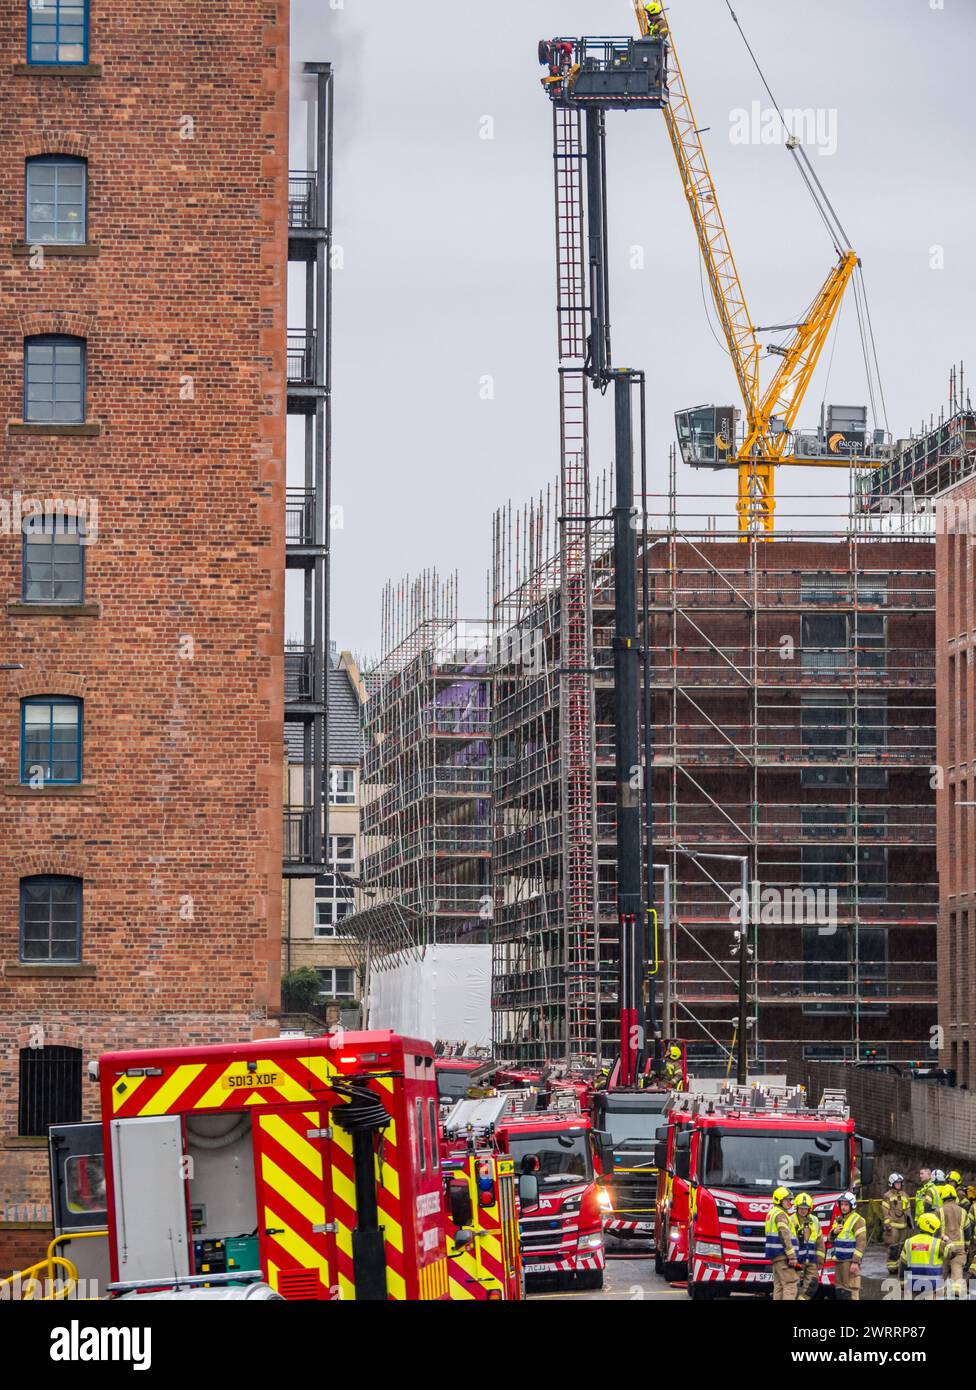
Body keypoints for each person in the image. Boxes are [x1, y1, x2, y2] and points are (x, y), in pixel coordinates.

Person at [829, 1191, 867, 1301]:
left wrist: (855, 1262)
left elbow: (861, 1242)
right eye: (842, 1204)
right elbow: (830, 1239)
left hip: (850, 1261)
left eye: (846, 1205)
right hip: (839, 1261)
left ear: (852, 1205)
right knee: (841, 1290)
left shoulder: (858, 1220)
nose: (843, 1207)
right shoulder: (839, 1219)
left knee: (852, 1289)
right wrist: (834, 1232)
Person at [765, 1187, 801, 1301]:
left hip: (776, 1255)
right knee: (791, 1284)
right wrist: (791, 1255)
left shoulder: (772, 1213)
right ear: (779, 1200)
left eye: (791, 1200)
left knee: (780, 1285)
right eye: (787, 1200)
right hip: (783, 1255)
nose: (790, 1202)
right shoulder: (781, 1214)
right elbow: (784, 1235)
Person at [899, 1213, 945, 1301]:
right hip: (933, 1285)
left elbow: (902, 1266)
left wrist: (902, 1284)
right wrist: (947, 1240)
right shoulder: (938, 1243)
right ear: (933, 1228)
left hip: (914, 1283)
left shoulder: (909, 1242)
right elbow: (952, 1254)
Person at [938, 1185, 970, 1298]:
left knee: (942, 1273)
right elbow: (967, 1231)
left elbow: (935, 1230)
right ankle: (957, 1293)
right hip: (960, 1248)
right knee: (957, 1272)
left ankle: (940, 1293)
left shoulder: (939, 1211)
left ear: (942, 1197)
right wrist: (967, 1246)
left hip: (944, 1247)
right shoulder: (963, 1211)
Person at [880, 1173, 912, 1278]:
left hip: (903, 1226)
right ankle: (892, 1267)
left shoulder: (904, 1195)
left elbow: (908, 1209)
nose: (898, 1185)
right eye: (896, 1183)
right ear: (891, 1183)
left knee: (902, 1247)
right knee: (893, 1247)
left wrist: (910, 1222)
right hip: (893, 1226)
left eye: (900, 1183)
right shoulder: (887, 1196)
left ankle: (899, 1266)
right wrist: (887, 1224)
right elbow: (885, 1212)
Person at [794, 1192, 825, 1301]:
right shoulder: (791, 1221)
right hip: (796, 1261)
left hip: (811, 1260)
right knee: (794, 1287)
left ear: (810, 1209)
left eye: (806, 1208)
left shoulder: (815, 1221)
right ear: (796, 1208)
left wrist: (820, 1260)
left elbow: (820, 1242)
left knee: (812, 1285)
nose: (803, 1210)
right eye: (801, 1208)